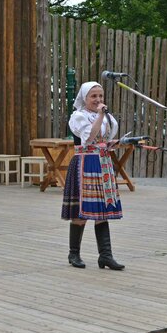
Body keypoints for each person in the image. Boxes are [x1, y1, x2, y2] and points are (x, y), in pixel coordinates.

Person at [61, 81, 125, 271]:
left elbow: (104, 139)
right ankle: (74, 253)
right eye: (93, 96)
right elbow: (88, 137)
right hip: (84, 163)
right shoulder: (78, 116)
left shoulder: (107, 117)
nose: (98, 100)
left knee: (102, 212)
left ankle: (105, 255)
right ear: (85, 98)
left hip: (103, 164)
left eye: (100, 96)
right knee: (81, 212)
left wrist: (114, 143)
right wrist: (99, 115)